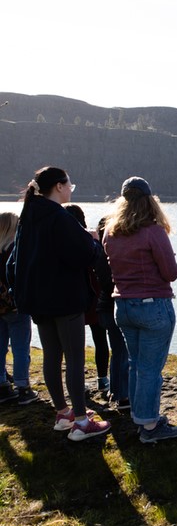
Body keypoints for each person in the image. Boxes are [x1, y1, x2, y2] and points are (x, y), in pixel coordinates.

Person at [6, 166, 111, 440]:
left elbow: (12, 263)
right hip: (65, 299)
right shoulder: (60, 217)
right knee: (75, 358)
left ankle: (63, 414)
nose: (70, 189)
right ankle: (81, 421)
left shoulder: (29, 217)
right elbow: (83, 255)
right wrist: (94, 242)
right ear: (59, 187)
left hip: (37, 301)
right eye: (70, 185)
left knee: (52, 355)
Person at [103, 177, 177, 443]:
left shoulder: (110, 233)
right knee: (150, 370)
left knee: (136, 365)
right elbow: (171, 273)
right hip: (152, 307)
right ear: (150, 201)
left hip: (122, 306)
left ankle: (141, 416)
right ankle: (149, 427)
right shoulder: (153, 232)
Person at [64, 203, 110, 396]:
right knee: (100, 340)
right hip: (95, 298)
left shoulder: (62, 243)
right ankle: (102, 379)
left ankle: (77, 383)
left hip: (72, 299)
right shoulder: (92, 242)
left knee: (73, 346)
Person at [0, 212, 38, 405]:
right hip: (15, 306)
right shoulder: (15, 249)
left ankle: (2, 385)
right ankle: (22, 387)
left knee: (0, 346)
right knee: (21, 347)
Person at [95, 216, 130, 410]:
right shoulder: (110, 254)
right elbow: (111, 283)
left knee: (117, 352)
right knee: (121, 352)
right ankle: (122, 395)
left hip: (103, 307)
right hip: (112, 306)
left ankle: (115, 390)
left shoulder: (99, 253)